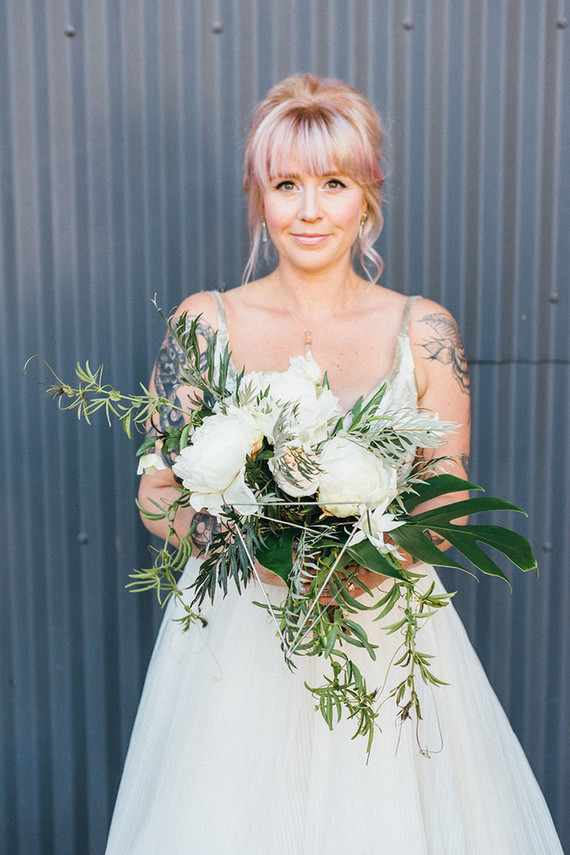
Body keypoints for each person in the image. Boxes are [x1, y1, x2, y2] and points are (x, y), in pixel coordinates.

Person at [105, 74, 562, 853]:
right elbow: (156, 494)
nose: (310, 210)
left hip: (385, 634)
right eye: (287, 184)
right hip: (236, 634)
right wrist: (245, 545)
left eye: (333, 183)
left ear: (368, 195)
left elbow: (445, 495)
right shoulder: (202, 323)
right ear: (259, 195)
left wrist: (364, 567)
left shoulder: (424, 331)